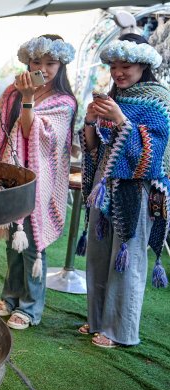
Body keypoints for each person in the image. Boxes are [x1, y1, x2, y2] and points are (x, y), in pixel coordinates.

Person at [0, 35, 77, 329]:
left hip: (40, 182)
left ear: (61, 65)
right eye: (37, 62)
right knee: (12, 243)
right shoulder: (13, 92)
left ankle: (30, 308)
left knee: (32, 246)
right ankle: (9, 298)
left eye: (50, 63)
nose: (42, 68)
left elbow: (37, 137)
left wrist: (29, 99)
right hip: (14, 178)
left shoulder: (64, 102)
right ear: (27, 62)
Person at [77, 33, 170, 348]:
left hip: (137, 191)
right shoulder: (113, 96)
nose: (118, 72)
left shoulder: (158, 98)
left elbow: (153, 155)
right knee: (99, 257)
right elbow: (93, 150)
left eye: (126, 66)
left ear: (143, 64)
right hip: (104, 190)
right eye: (114, 66)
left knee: (126, 261)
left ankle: (120, 331)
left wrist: (121, 122)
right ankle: (98, 319)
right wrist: (91, 121)